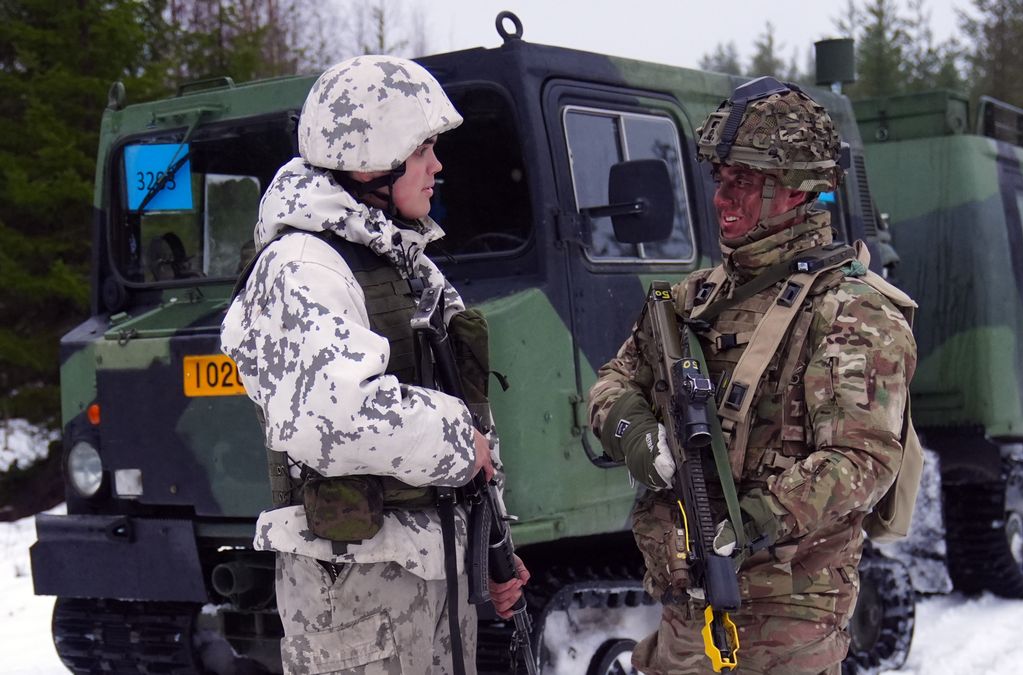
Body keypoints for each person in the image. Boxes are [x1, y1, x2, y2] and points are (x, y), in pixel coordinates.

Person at [587, 77, 917, 675]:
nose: (722, 197)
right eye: (720, 178)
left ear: (795, 189)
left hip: (788, 618)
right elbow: (613, 382)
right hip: (687, 609)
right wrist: (637, 436)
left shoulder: (850, 309)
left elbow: (862, 459)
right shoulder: (691, 299)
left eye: (743, 181)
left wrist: (750, 522)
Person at [221, 55, 527, 675]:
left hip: (429, 571)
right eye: (424, 149)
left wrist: (493, 547)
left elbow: (467, 416)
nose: (438, 166)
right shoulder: (304, 264)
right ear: (372, 157)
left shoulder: (400, 262)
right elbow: (336, 415)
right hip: (356, 590)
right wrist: (455, 439)